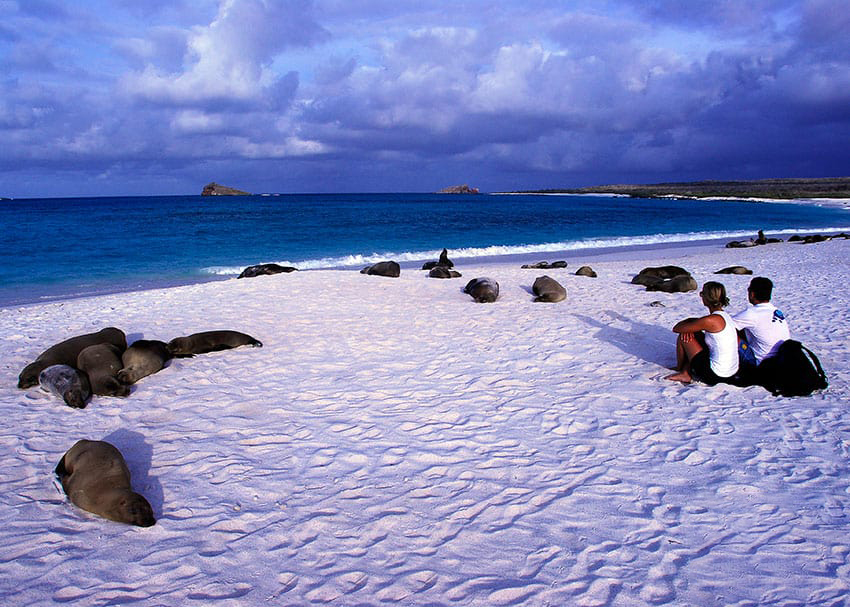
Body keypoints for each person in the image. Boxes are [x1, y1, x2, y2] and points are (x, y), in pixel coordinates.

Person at [666, 281, 739, 385]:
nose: (701, 296)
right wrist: (693, 324)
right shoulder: (725, 316)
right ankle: (686, 371)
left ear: (707, 298)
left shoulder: (710, 320)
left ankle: (681, 368)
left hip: (715, 375)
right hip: (731, 372)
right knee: (694, 333)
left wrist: (689, 322)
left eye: (702, 293)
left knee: (684, 336)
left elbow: (677, 328)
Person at [732, 276, 790, 366]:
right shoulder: (776, 311)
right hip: (781, 360)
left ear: (752, 294)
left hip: (762, 363)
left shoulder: (751, 313)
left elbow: (723, 326)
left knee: (728, 333)